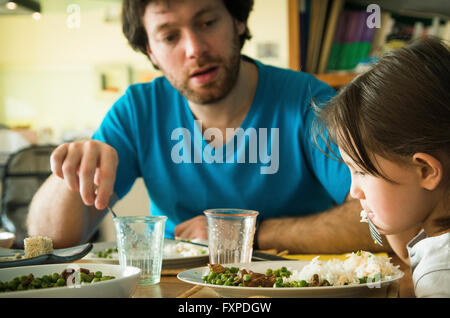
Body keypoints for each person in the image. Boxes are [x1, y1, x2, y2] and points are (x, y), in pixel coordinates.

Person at [27, 0, 381, 254]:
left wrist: (244, 234)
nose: (194, 49)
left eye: (207, 22)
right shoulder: (137, 110)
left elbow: (379, 222)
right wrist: (71, 171)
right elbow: (48, 242)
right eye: (169, 37)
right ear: (150, 51)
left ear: (238, 22)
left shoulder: (307, 100)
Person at [314, 37, 450, 297]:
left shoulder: (441, 276)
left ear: (426, 171)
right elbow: (409, 257)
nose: (354, 191)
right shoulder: (437, 244)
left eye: (362, 172)